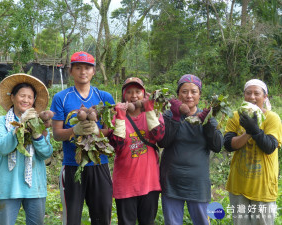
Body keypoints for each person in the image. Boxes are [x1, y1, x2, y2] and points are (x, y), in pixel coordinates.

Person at [50, 51, 115, 225]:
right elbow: (56, 134)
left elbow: (111, 130)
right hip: (72, 165)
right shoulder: (61, 98)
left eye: (87, 68)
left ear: (94, 71)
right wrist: (74, 130)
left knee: (102, 216)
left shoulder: (104, 98)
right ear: (71, 71)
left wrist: (98, 131)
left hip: (99, 164)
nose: (83, 72)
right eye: (78, 68)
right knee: (72, 218)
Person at [158, 74, 224, 225]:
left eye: (194, 92)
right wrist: (175, 116)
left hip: (198, 184)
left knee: (202, 221)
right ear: (178, 94)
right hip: (172, 181)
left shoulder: (207, 117)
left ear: (200, 95)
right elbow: (163, 142)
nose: (189, 96)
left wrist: (207, 124)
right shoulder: (169, 115)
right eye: (184, 91)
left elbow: (218, 146)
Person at [0, 73, 53, 225]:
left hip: (35, 187)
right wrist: (19, 126)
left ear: (33, 101)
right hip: (8, 187)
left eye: (30, 97)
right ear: (12, 97)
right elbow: (2, 148)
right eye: (22, 96)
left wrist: (37, 134)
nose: (26, 100)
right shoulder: (1, 122)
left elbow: (46, 153)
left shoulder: (40, 123)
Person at [107, 77, 165, 225]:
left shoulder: (155, 114)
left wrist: (149, 108)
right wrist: (120, 115)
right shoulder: (115, 118)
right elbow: (117, 146)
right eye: (129, 92)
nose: (134, 96)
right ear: (123, 96)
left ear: (144, 94)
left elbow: (159, 136)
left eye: (138, 92)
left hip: (150, 183)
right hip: (126, 185)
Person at [224, 79, 282, 225]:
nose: (252, 97)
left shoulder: (272, 118)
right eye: (248, 93)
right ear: (244, 95)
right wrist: (248, 132)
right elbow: (228, 145)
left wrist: (255, 129)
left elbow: (269, 147)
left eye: (257, 93)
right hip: (238, 185)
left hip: (263, 188)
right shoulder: (236, 116)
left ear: (265, 97)